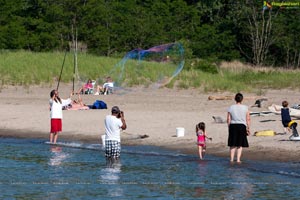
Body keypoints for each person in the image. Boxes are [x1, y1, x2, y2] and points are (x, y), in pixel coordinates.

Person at [227, 93, 250, 163]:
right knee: (240, 144)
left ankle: (231, 159)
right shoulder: (245, 107)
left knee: (232, 144)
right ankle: (238, 159)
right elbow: (248, 119)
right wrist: (248, 128)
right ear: (242, 99)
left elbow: (228, 119)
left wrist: (229, 127)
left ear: (235, 99)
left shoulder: (231, 107)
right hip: (242, 125)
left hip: (233, 125)